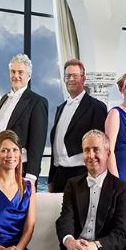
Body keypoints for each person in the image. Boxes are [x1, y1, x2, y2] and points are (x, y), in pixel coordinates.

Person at [48, 59, 107, 193]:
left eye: (75, 75)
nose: (71, 79)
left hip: (82, 174)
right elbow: (56, 147)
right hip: (59, 174)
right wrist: (51, 178)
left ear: (83, 78)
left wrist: (97, 177)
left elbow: (101, 146)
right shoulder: (60, 108)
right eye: (68, 76)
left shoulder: (96, 107)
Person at [0, 54, 49, 183]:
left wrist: (31, 177)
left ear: (29, 76)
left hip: (21, 170)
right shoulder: (4, 99)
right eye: (13, 71)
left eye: (20, 72)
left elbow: (37, 144)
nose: (16, 75)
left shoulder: (37, 102)